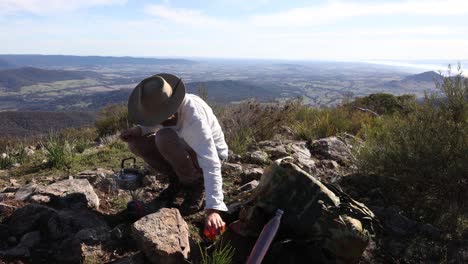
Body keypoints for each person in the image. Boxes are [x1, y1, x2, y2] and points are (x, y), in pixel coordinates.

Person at [120, 73, 228, 232]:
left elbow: (211, 162)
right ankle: (177, 180)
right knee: (137, 143)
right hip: (182, 148)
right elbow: (156, 123)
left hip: (210, 156)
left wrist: (213, 210)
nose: (156, 119)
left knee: (164, 137)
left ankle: (196, 185)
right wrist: (138, 130)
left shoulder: (194, 118)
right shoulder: (165, 107)